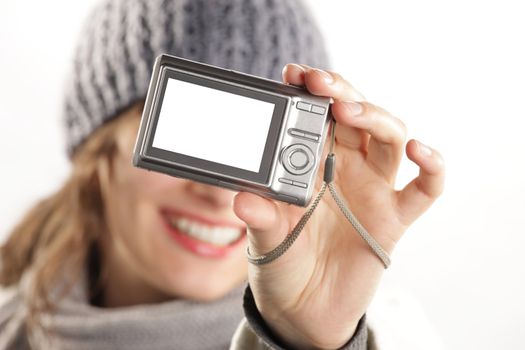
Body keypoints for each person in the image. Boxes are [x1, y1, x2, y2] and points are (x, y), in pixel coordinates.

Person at [0, 0, 445, 349]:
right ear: (98, 150)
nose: (220, 195)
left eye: (259, 146)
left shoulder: (386, 336)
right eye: (189, 132)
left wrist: (309, 344)